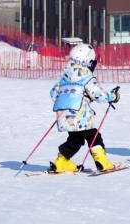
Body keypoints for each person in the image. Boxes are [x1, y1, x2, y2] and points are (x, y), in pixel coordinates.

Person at [49, 43, 120, 172]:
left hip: (64, 116)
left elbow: (53, 94)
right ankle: (102, 162)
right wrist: (112, 97)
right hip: (81, 117)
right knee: (93, 136)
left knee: (75, 140)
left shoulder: (64, 78)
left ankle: (60, 162)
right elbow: (98, 94)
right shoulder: (86, 77)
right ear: (88, 61)